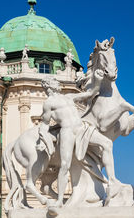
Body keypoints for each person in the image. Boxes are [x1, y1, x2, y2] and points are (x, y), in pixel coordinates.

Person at [37, 69, 105, 207]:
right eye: (54, 82)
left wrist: (97, 81)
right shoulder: (48, 103)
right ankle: (60, 200)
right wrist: (43, 140)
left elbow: (90, 93)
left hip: (81, 128)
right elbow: (44, 125)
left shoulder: (68, 96)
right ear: (49, 85)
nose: (58, 84)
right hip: (67, 131)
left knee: (107, 144)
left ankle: (111, 182)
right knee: (65, 165)